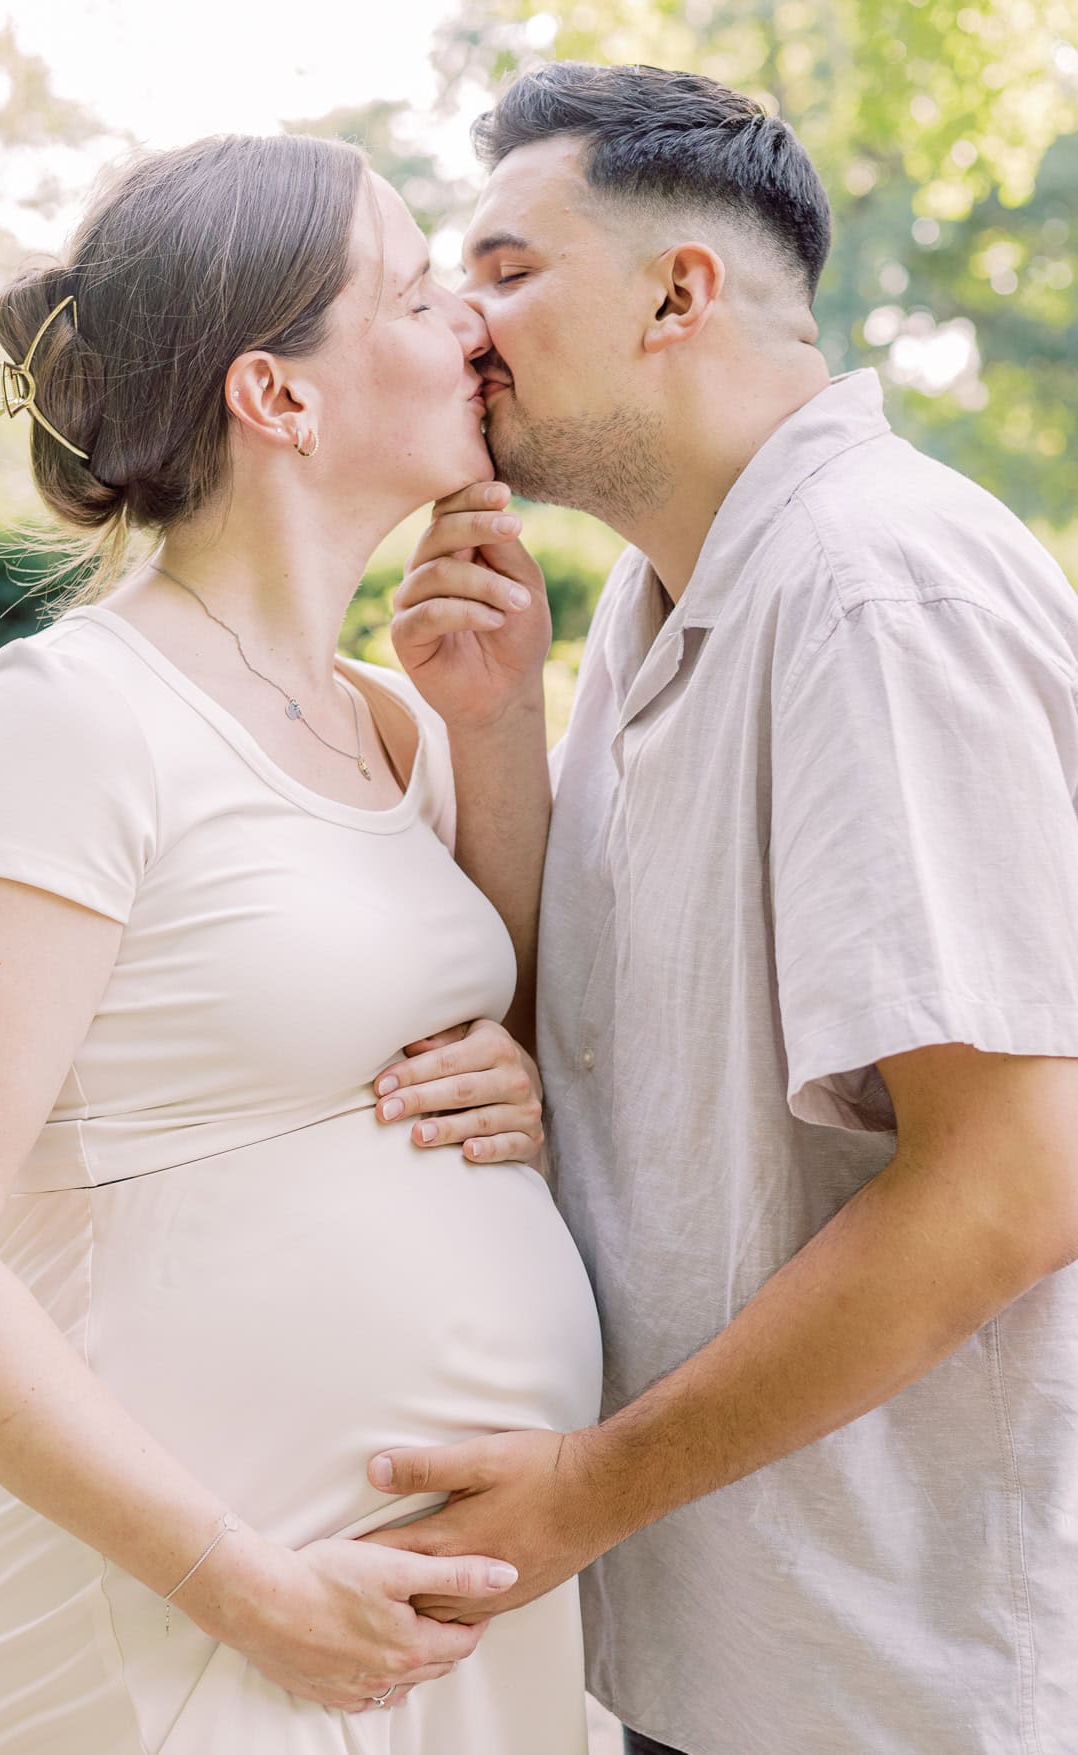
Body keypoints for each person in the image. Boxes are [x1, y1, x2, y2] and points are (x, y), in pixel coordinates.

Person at [360, 62, 1078, 1754]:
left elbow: (1013, 1178)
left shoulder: (864, 593)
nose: (464, 324)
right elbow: (613, 1047)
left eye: (509, 269)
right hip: (737, 1648)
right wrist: (494, 734)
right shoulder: (660, 602)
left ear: (679, 291)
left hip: (908, 1677)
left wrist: (580, 1494)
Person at [0, 130, 604, 1755]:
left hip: (443, 1629)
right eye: (422, 294)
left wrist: (493, 737)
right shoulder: (72, 718)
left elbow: (503, 1039)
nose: (473, 332)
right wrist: (239, 1584)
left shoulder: (397, 720)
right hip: (195, 1616)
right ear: (276, 397)